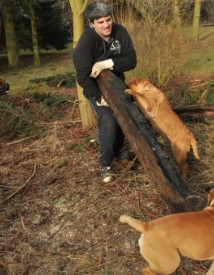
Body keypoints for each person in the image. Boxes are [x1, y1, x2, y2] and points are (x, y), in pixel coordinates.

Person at [72, 1, 137, 183]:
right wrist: (98, 97)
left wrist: (107, 63)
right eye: (100, 22)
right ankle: (105, 163)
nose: (106, 25)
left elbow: (131, 60)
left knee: (125, 113)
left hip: (117, 83)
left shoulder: (120, 32)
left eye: (108, 20)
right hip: (96, 88)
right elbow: (83, 77)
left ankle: (117, 150)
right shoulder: (85, 44)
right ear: (92, 23)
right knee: (108, 118)